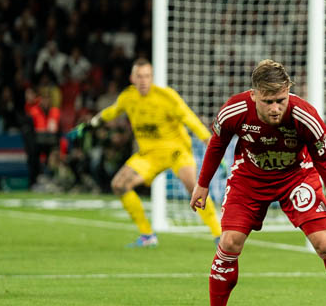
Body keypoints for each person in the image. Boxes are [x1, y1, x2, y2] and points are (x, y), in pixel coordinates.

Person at [190, 59, 326, 306]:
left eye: (281, 100)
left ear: (289, 93)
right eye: (268, 101)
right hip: (249, 178)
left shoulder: (305, 116)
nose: (275, 108)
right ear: (253, 95)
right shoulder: (234, 110)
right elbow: (217, 144)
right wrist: (202, 185)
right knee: (229, 242)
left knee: (324, 243)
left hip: (296, 177)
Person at [80, 58, 221, 247]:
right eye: (139, 76)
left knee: (192, 186)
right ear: (132, 78)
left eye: (147, 76)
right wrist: (92, 124)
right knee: (119, 185)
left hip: (176, 151)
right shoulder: (128, 98)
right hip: (149, 155)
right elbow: (112, 112)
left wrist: (209, 141)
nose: (143, 80)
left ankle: (218, 234)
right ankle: (147, 235)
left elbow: (190, 118)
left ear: (152, 77)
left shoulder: (166, 96)